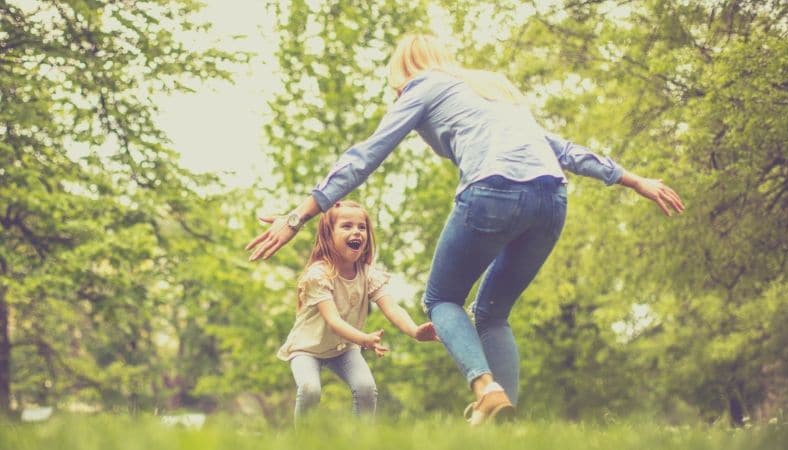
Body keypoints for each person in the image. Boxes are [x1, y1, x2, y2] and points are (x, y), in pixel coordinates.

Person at [246, 34, 684, 425]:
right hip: (552, 200)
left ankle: (485, 389)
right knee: (493, 313)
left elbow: (364, 156)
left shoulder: (424, 87)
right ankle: (502, 417)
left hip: (491, 192)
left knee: (441, 299)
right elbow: (564, 151)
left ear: (403, 71)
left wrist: (296, 217)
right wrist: (634, 179)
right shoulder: (492, 94)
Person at [270, 200, 437, 421]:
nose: (356, 231)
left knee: (366, 388)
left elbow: (392, 307)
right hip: (307, 348)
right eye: (347, 226)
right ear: (328, 236)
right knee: (310, 390)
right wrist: (364, 339)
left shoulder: (367, 274)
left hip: (343, 349)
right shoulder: (319, 275)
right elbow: (333, 321)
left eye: (361, 227)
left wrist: (415, 331)